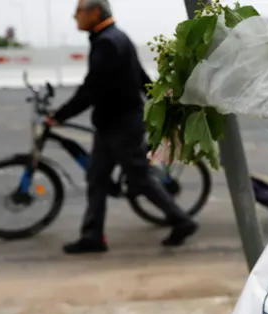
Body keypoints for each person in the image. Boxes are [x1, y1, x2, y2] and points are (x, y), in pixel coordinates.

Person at [46, 0, 198, 255]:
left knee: (139, 178)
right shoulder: (115, 37)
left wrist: (60, 115)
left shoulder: (107, 42)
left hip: (121, 125)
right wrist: (155, 102)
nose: (75, 18)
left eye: (78, 13)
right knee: (97, 178)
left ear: (94, 13)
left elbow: (92, 88)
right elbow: (139, 76)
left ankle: (182, 221)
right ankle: (92, 236)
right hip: (111, 124)